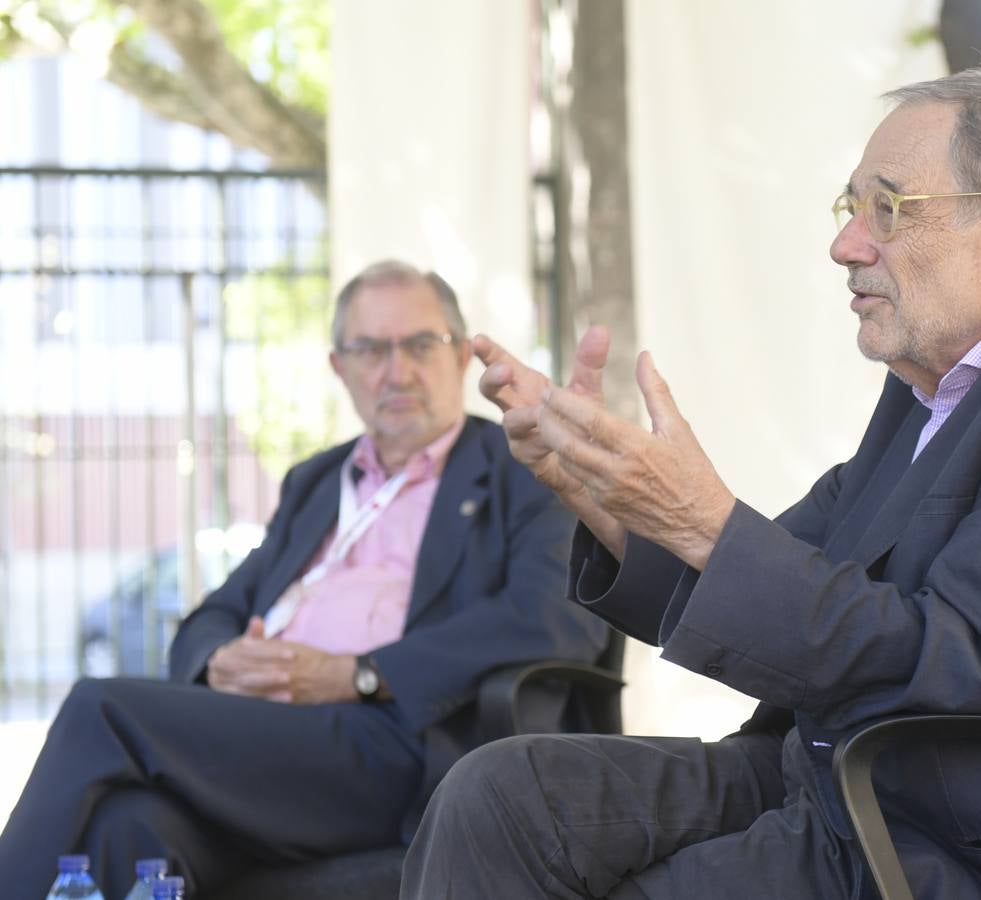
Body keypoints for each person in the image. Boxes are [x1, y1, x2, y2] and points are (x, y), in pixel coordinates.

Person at [400, 70, 981, 898]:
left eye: (891, 209)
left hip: (955, 841)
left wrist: (703, 519)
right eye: (852, 208)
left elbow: (965, 666)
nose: (847, 245)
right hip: (839, 778)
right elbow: (786, 568)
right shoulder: (943, 375)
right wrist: (606, 495)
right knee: (499, 799)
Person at [0, 260, 608, 898]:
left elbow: (556, 618)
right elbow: (215, 613)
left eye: (419, 344)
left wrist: (362, 674)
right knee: (128, 826)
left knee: (100, 709)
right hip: (271, 744)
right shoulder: (318, 482)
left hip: (398, 744)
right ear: (339, 367)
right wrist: (219, 661)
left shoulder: (520, 469)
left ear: (460, 356)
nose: (397, 371)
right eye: (370, 349)